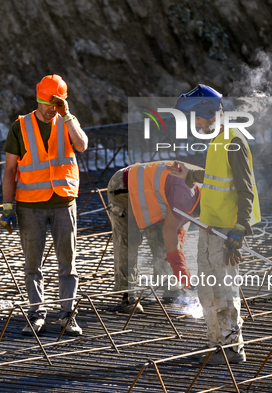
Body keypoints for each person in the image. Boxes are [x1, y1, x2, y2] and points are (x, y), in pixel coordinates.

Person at [171, 84, 261, 365]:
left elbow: (245, 190)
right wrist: (193, 173)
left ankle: (234, 349)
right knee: (207, 289)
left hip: (226, 232)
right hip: (209, 228)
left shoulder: (234, 141)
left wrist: (240, 230)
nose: (196, 124)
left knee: (225, 291)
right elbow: (218, 179)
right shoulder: (217, 140)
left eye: (197, 118)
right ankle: (217, 345)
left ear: (210, 113)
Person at [0, 74, 88, 337]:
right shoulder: (21, 127)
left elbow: (82, 145)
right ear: (38, 100)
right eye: (47, 104)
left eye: (56, 104)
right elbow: (9, 170)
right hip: (30, 206)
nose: (51, 109)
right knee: (32, 265)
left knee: (68, 263)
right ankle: (37, 313)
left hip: (63, 203)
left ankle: (67, 315)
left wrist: (68, 115)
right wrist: (7, 207)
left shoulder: (67, 122)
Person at [107, 160, 201, 313]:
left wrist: (178, 262)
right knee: (129, 241)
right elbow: (169, 230)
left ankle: (170, 286)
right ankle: (128, 295)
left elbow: (177, 231)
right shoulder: (185, 195)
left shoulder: (205, 188)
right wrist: (180, 267)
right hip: (124, 186)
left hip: (154, 194)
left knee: (163, 241)